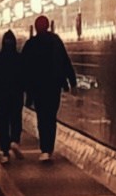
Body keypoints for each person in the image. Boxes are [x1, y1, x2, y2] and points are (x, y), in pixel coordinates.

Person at [18, 12, 75, 158]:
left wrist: (25, 89)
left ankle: (44, 148)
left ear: (36, 28)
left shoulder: (31, 44)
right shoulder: (56, 41)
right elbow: (65, 61)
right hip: (53, 86)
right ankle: (49, 147)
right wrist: (71, 81)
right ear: (48, 26)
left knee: (42, 117)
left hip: (38, 87)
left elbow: (24, 68)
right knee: (51, 116)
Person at [0, 27, 26, 154]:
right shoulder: (19, 58)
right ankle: (14, 140)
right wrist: (29, 95)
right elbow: (25, 77)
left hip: (0, 96)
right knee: (16, 119)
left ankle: (5, 151)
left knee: (2, 122)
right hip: (16, 94)